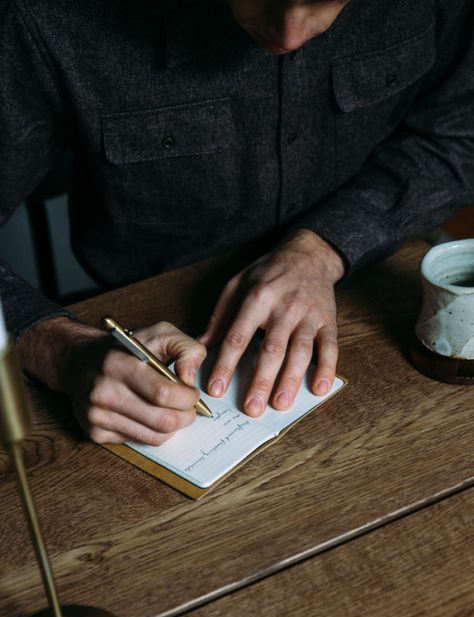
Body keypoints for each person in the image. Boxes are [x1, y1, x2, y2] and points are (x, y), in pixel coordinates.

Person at [1, 0, 473, 446]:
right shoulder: (48, 14)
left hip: (373, 292)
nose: (289, 35)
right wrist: (60, 351)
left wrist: (325, 247)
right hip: (140, 339)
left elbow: (460, 131)